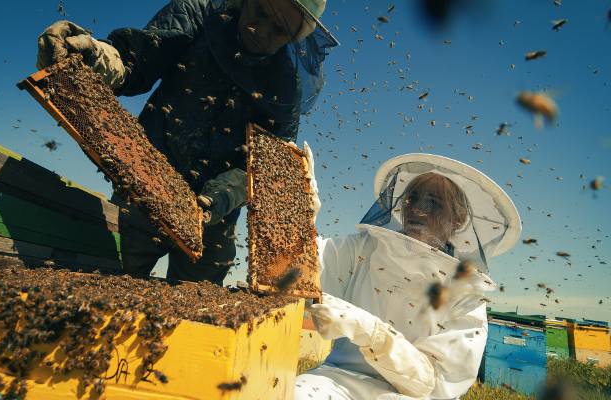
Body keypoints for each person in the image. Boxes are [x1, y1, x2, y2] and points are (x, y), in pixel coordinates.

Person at [35, 0, 338, 284]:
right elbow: (141, 56)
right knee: (105, 280)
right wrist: (96, 56)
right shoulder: (199, 15)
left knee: (199, 313)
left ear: (294, 38)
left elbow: (263, 164)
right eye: (260, 11)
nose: (261, 30)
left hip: (214, 220)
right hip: (145, 184)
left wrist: (215, 199)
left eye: (279, 30)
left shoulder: (284, 86)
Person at [296, 153, 522, 399]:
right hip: (336, 379)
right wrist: (298, 222)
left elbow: (435, 384)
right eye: (411, 198)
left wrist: (374, 334)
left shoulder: (467, 298)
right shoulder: (366, 248)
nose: (417, 209)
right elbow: (303, 269)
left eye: (433, 202)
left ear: (458, 219)